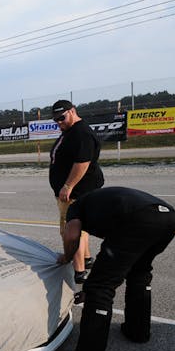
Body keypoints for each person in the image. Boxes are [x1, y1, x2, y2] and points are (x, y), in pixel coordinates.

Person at [54, 186, 175, 351]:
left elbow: (72, 235)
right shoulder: (99, 200)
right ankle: (138, 331)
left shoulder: (75, 207)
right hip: (169, 217)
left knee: (100, 286)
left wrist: (66, 257)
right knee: (139, 273)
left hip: (138, 219)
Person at [49, 99, 104, 284]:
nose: (59, 122)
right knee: (82, 229)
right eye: (56, 120)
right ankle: (86, 260)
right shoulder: (71, 130)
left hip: (76, 192)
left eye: (62, 118)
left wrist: (68, 186)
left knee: (71, 232)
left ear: (72, 111)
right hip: (77, 191)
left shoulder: (81, 133)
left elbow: (82, 163)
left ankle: (78, 271)